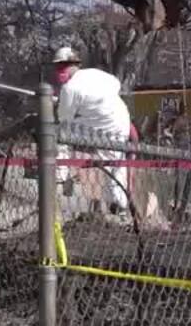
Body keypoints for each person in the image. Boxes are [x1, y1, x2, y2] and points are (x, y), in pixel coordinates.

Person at [51, 47, 133, 214]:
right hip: (121, 121)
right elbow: (115, 85)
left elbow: (64, 120)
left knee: (58, 135)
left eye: (64, 65)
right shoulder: (95, 74)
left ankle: (59, 178)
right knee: (115, 160)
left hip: (102, 129)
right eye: (59, 66)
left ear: (75, 65)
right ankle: (120, 204)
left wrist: (57, 103)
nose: (61, 69)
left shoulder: (70, 88)